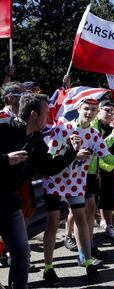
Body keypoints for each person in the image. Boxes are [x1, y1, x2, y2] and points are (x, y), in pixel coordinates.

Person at [41, 98, 114, 286]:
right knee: (53, 223)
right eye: (86, 109)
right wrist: (71, 153)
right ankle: (48, 267)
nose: (89, 113)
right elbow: (50, 157)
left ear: (97, 113)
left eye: (93, 110)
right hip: (55, 181)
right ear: (78, 109)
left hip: (76, 182)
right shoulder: (63, 129)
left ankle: (87, 261)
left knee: (81, 219)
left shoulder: (95, 135)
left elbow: (110, 159)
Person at [0, 93, 85, 289]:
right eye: (46, 113)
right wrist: (5, 159)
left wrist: (71, 150)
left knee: (22, 254)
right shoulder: (4, 128)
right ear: (33, 114)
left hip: (10, 203)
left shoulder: (36, 141)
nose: (49, 117)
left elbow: (49, 168)